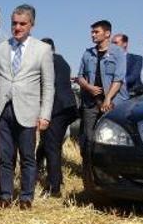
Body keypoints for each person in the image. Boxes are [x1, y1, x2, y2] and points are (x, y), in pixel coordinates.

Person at [0, 4, 54, 210]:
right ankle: (5, 195)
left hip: (28, 111)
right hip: (3, 110)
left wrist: (45, 114)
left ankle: (26, 197)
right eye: (14, 23)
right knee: (5, 157)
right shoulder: (1, 48)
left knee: (28, 157)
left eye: (22, 24)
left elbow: (48, 85)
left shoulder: (43, 50)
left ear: (31, 25)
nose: (17, 27)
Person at [77, 20, 128, 160]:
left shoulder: (118, 53)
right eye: (92, 32)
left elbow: (118, 79)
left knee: (111, 137)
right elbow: (80, 76)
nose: (93, 35)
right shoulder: (88, 54)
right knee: (88, 138)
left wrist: (108, 98)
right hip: (90, 103)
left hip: (112, 102)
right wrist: (88, 87)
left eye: (96, 32)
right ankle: (89, 170)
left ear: (107, 34)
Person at [36, 38, 77, 197]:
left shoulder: (47, 62)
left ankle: (54, 188)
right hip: (68, 107)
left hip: (56, 107)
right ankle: (56, 179)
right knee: (52, 145)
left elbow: (47, 86)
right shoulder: (62, 60)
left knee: (51, 147)